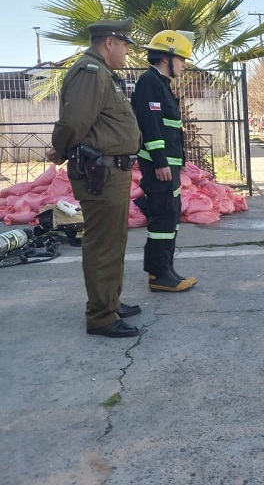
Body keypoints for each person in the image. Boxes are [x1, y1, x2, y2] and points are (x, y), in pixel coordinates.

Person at [48, 17, 142, 338]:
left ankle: (110, 301)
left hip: (112, 169)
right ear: (109, 42)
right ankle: (101, 316)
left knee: (113, 239)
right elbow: (74, 122)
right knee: (103, 242)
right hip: (99, 171)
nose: (128, 51)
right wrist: (59, 150)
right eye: (125, 45)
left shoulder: (102, 72)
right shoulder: (90, 72)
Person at [131, 30, 197, 292]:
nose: (183, 64)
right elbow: (150, 123)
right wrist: (159, 161)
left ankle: (166, 269)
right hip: (159, 166)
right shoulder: (150, 82)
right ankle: (158, 275)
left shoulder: (161, 83)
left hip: (169, 164)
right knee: (161, 218)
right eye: (181, 59)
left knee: (170, 216)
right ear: (166, 57)